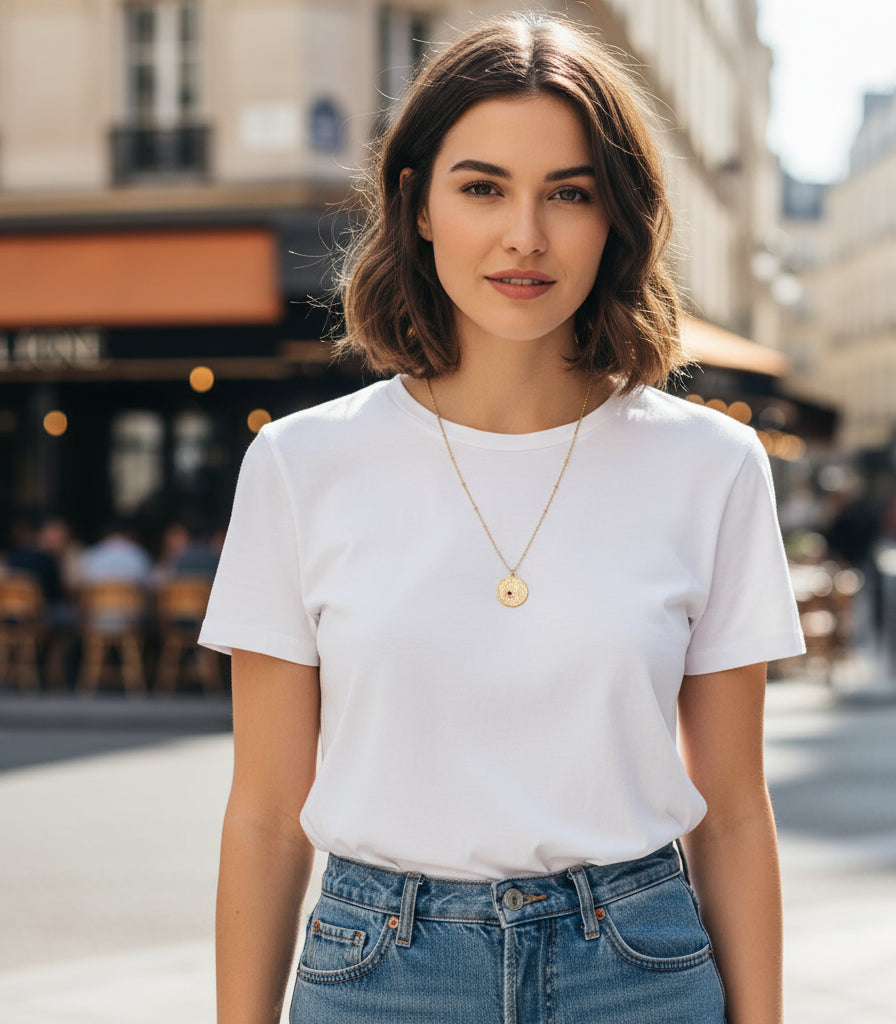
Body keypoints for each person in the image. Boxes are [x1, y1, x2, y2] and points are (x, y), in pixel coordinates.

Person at [200, 14, 804, 1024]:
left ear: (616, 216)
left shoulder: (713, 466)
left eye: (568, 194)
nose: (525, 235)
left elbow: (736, 809)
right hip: (378, 972)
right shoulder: (301, 466)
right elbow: (264, 816)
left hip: (638, 964)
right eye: (482, 187)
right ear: (419, 203)